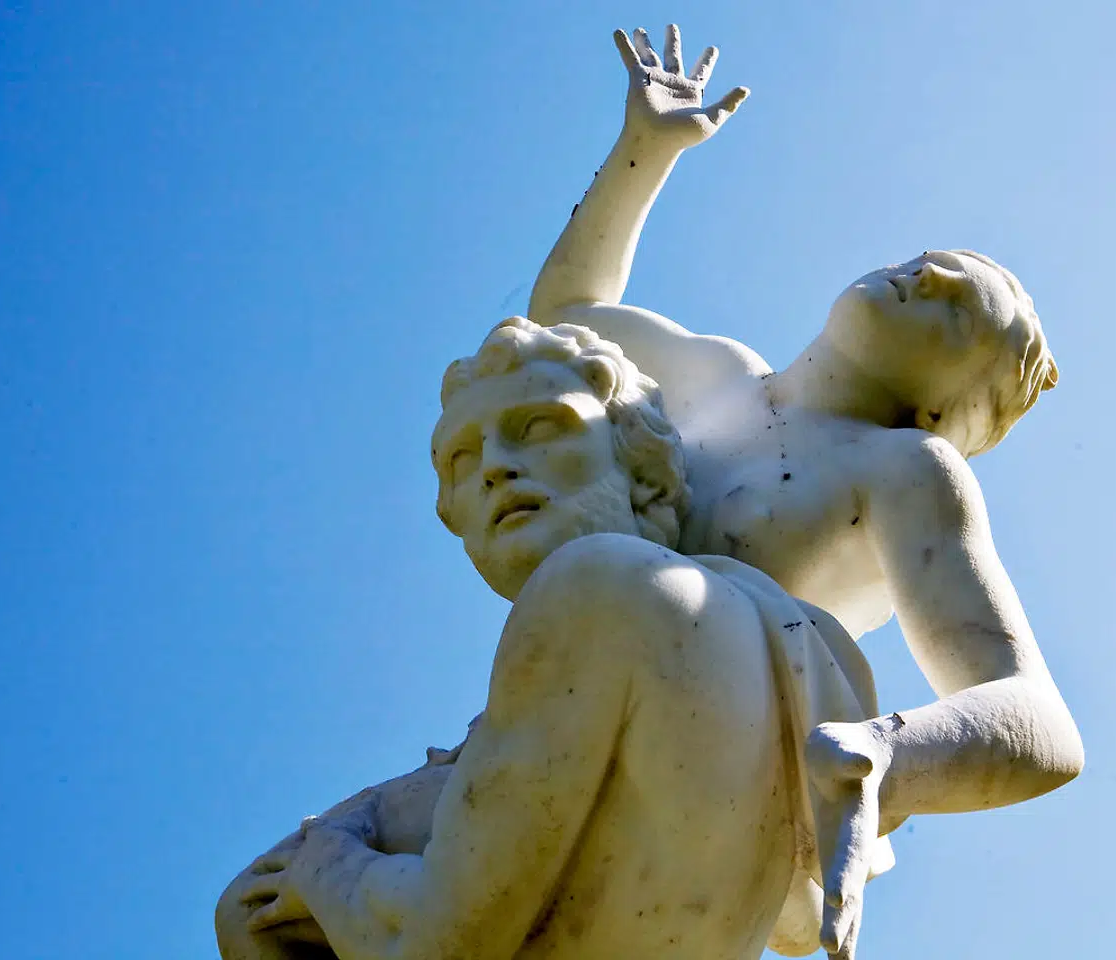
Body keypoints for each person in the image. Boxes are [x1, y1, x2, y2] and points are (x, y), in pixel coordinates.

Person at [525, 26, 1083, 952]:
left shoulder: (901, 469)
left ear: (946, 410)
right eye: (932, 261)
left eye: (959, 309)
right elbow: (564, 321)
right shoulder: (718, 372)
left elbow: (1039, 719)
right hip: (554, 725)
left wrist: (884, 755)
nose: (930, 274)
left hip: (691, 794)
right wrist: (645, 153)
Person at [216, 319, 879, 960]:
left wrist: (329, 864)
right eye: (463, 459)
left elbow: (431, 944)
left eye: (538, 428)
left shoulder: (601, 584)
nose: (494, 468)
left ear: (642, 466)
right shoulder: (782, 634)